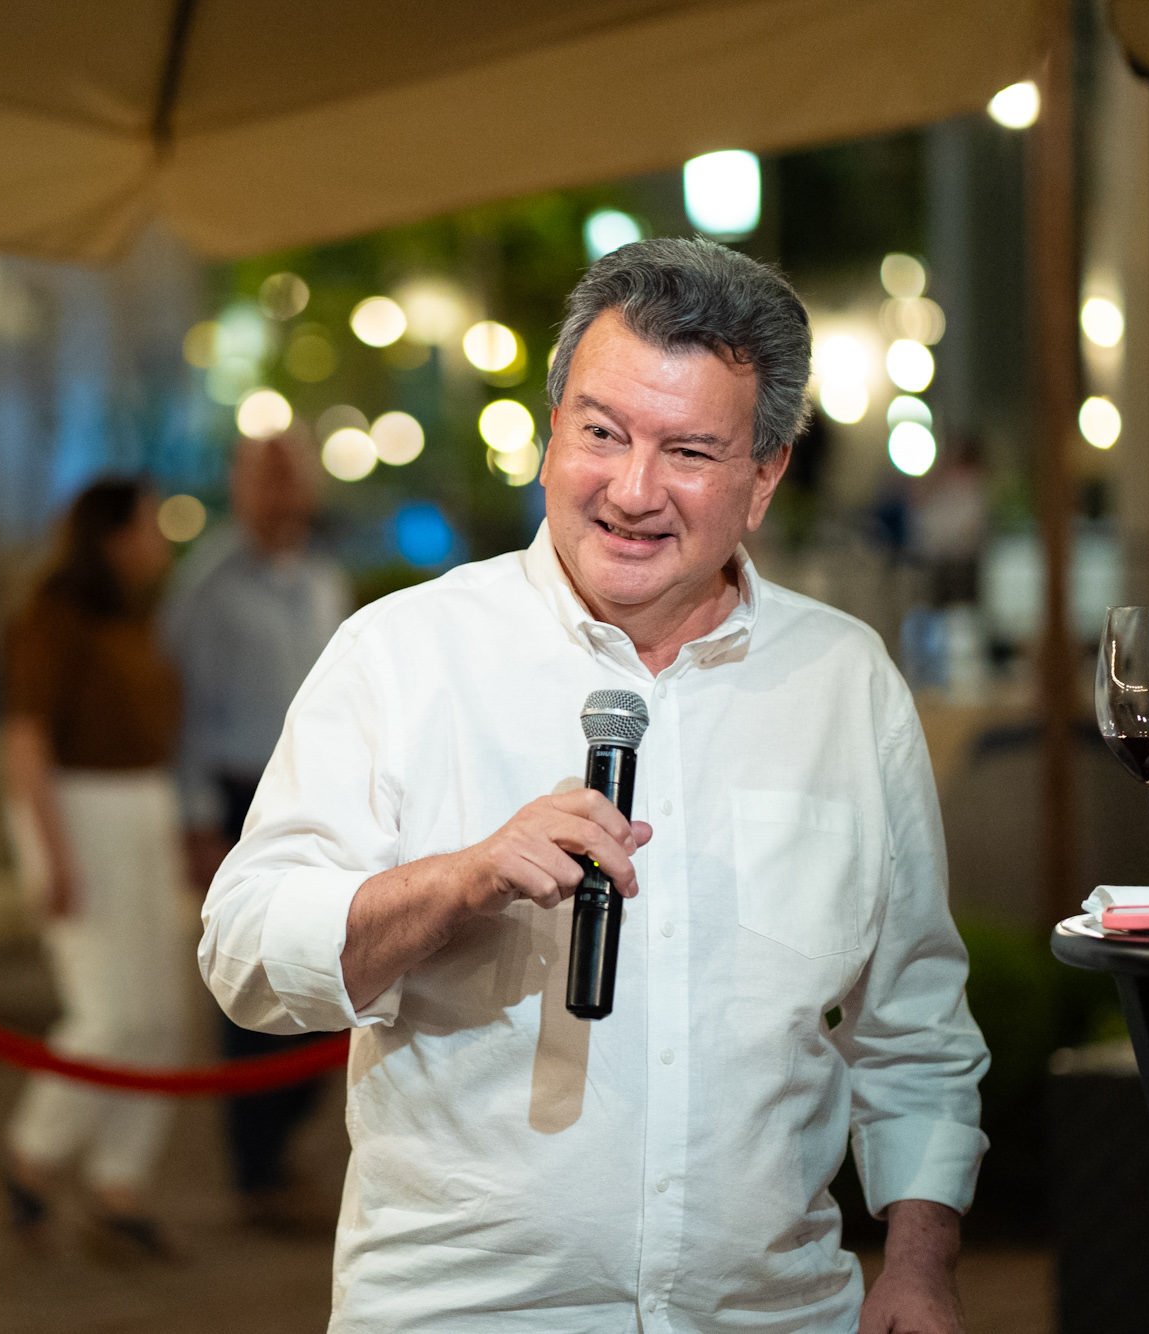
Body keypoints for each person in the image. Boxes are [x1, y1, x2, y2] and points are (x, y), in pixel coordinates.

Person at [199, 239, 988, 1331]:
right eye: (602, 432)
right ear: (549, 433)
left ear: (764, 478)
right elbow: (244, 955)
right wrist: (458, 881)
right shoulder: (403, 654)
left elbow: (913, 1024)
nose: (631, 490)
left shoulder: (843, 681)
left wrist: (920, 1264)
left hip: (770, 1313)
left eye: (688, 451)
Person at [162, 431, 350, 1231]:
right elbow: (181, 713)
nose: (280, 492)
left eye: (290, 476)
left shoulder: (324, 579)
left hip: (319, 798)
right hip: (239, 799)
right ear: (238, 488)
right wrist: (197, 819)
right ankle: (256, 1170)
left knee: (325, 972)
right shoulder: (207, 587)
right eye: (264, 477)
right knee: (254, 980)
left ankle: (286, 1147)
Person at [0, 477, 187, 1262]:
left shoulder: (132, 616)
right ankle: (31, 1153)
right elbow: (26, 739)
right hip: (77, 809)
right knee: (107, 1013)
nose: (161, 542)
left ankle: (119, 1183)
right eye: (150, 526)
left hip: (140, 803)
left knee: (160, 1012)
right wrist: (51, 852)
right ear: (113, 537)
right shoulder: (54, 615)